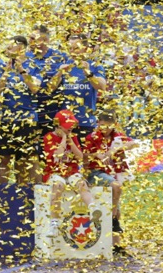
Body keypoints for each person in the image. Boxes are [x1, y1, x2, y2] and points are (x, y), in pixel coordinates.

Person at [83, 108, 136, 254]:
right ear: (98, 123)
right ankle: (112, 213)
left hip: (112, 173)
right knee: (116, 187)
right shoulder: (92, 137)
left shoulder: (117, 137)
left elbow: (133, 144)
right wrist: (95, 155)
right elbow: (83, 157)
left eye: (109, 126)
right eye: (103, 126)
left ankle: (116, 245)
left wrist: (116, 149)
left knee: (118, 205)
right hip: (96, 173)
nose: (106, 130)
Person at [0, 36, 42, 185]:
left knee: (27, 160)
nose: (7, 51)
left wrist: (21, 70)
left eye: (10, 47)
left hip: (27, 120)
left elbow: (35, 88)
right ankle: (3, 197)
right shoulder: (3, 66)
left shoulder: (33, 65)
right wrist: (6, 72)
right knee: (4, 159)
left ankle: (30, 197)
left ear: (21, 48)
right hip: (7, 120)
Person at [43, 109, 98, 236]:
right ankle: (54, 223)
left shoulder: (73, 137)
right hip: (55, 172)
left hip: (71, 171)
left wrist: (71, 141)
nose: (71, 128)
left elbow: (79, 157)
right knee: (57, 187)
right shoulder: (49, 137)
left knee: (82, 184)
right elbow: (57, 155)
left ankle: (93, 208)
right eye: (67, 126)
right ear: (58, 125)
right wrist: (63, 139)